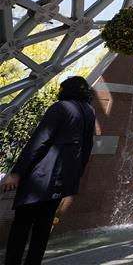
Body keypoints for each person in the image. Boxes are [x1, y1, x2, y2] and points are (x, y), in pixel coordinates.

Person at [2, 76, 95, 265]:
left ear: (67, 90)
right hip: (62, 181)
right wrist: (75, 176)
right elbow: (87, 147)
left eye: (61, 89)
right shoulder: (89, 111)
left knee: (22, 225)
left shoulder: (60, 108)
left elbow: (39, 141)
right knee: (43, 228)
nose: (59, 92)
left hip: (41, 177)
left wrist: (16, 172)